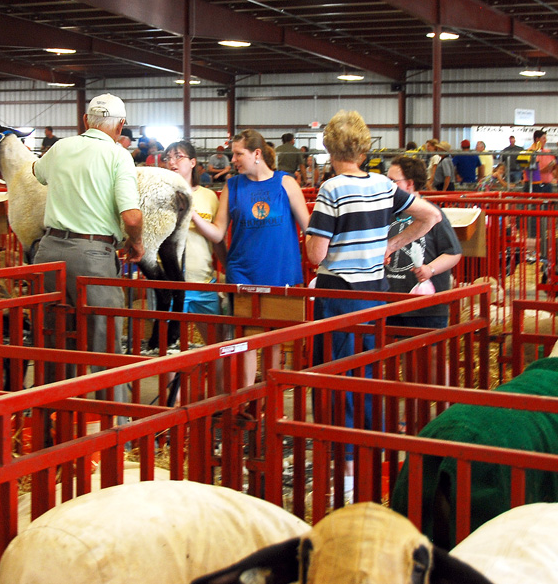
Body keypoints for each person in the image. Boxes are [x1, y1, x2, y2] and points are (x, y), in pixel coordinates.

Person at [305, 111, 439, 482]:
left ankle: (344, 469)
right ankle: (371, 458)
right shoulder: (382, 185)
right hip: (373, 292)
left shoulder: (331, 189)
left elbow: (317, 255)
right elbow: (431, 217)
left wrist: (311, 238)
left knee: (335, 373)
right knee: (367, 370)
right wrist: (390, 244)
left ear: (329, 147)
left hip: (338, 293)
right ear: (364, 149)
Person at [33, 93, 143, 399]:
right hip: (93, 256)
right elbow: (132, 218)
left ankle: (53, 420)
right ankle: (115, 429)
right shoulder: (118, 155)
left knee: (52, 341)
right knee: (104, 343)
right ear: (121, 125)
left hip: (49, 253)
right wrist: (137, 245)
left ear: (85, 121)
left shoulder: (60, 147)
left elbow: (36, 174)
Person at [193, 129, 311, 387]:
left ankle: (269, 402)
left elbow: (308, 226)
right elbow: (218, 232)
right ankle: (248, 405)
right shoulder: (232, 186)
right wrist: (192, 214)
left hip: (281, 276)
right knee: (245, 341)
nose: (233, 160)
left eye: (238, 154)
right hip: (244, 276)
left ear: (256, 154)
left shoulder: (286, 183)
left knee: (275, 342)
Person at [155, 141, 224, 350]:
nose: (172, 162)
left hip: (203, 282)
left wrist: (227, 267)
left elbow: (217, 237)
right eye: (168, 158)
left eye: (179, 156)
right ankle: (169, 384)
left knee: (217, 344)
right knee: (166, 348)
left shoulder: (208, 196)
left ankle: (216, 384)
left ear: (193, 162)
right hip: (170, 282)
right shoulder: (159, 195)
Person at [384, 155, 462, 329]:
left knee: (429, 353)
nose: (387, 187)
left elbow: (453, 252)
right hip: (390, 302)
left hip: (425, 305)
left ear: (410, 184)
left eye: (392, 182)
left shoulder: (432, 214)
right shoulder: (386, 213)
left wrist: (430, 269)